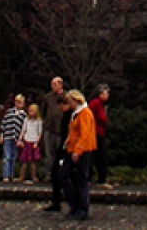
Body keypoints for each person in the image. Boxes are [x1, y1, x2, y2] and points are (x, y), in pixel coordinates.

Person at [59, 89, 97, 220]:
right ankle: (75, 205)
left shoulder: (84, 113)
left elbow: (85, 134)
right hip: (73, 149)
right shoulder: (76, 113)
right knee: (65, 176)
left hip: (82, 150)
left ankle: (81, 208)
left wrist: (78, 150)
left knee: (80, 179)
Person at [41, 94, 74, 213]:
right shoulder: (66, 116)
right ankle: (57, 201)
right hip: (64, 146)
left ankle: (71, 203)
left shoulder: (71, 116)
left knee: (64, 176)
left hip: (69, 148)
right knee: (56, 174)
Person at [40, 76, 67, 180]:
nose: (52, 87)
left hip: (60, 130)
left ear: (60, 85)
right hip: (49, 129)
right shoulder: (48, 97)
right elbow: (43, 111)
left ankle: (59, 174)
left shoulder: (66, 97)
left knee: (59, 154)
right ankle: (48, 174)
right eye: (52, 84)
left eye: (54, 84)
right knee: (48, 154)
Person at [0, 94, 27, 182]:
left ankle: (11, 175)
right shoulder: (9, 112)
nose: (18, 104)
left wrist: (21, 140)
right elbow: (4, 124)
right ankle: (5, 175)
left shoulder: (24, 115)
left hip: (17, 138)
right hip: (8, 136)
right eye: (17, 102)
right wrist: (1, 135)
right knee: (7, 156)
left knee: (13, 157)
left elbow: (24, 128)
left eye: (20, 102)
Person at [88, 83, 111, 187]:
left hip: (99, 132)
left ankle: (99, 177)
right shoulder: (95, 103)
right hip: (95, 132)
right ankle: (98, 178)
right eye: (106, 93)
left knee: (99, 156)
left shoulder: (101, 104)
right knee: (99, 155)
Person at [16, 103, 43, 183]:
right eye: (29, 111)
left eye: (32, 111)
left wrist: (36, 142)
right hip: (26, 141)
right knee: (24, 162)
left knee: (32, 162)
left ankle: (34, 177)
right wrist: (20, 140)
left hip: (33, 142)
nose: (30, 113)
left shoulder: (39, 121)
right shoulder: (26, 120)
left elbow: (39, 133)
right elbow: (23, 130)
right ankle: (21, 177)